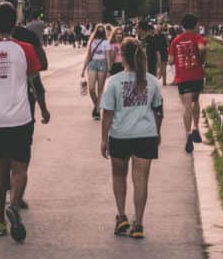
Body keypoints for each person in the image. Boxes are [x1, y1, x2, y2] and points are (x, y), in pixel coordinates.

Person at [0, 2, 49, 241]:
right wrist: (44, 110)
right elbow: (35, 83)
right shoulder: (25, 49)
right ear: (15, 24)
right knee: (20, 168)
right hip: (20, 118)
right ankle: (13, 205)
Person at [100, 37, 163, 239]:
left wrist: (103, 139)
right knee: (141, 180)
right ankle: (138, 224)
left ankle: (121, 217)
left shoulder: (114, 81)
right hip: (146, 135)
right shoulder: (152, 80)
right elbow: (158, 111)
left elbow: (107, 113)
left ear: (122, 57)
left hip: (120, 135)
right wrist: (157, 132)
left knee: (119, 176)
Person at [168, 13, 207, 153]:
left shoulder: (176, 40)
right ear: (195, 25)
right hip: (196, 75)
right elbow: (202, 48)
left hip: (183, 77)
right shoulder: (198, 37)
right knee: (195, 101)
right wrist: (201, 60)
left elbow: (171, 61)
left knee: (186, 106)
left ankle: (188, 133)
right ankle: (196, 127)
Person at [81, 24, 111, 119]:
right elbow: (88, 56)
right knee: (91, 89)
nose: (100, 32)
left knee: (100, 89)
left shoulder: (106, 42)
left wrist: (109, 68)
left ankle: (97, 111)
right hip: (93, 63)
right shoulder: (92, 41)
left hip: (102, 64)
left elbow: (107, 56)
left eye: (102, 31)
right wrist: (83, 69)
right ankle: (97, 104)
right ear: (96, 31)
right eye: (99, 30)